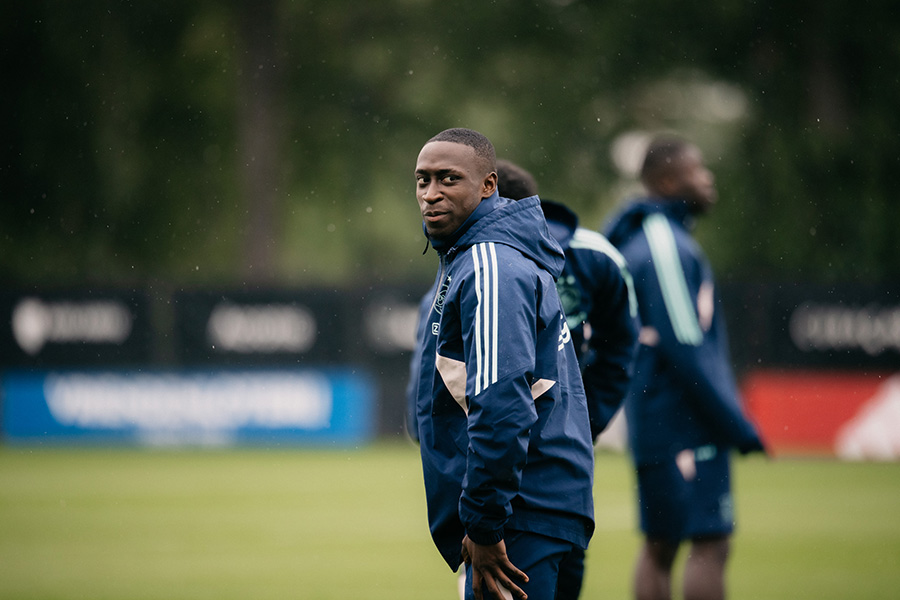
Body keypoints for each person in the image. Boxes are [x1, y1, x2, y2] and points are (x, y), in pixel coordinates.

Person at [411, 128, 595, 600]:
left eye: (448, 179)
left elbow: (501, 405)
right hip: (533, 501)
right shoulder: (480, 257)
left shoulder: (490, 265)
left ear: (488, 185)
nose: (431, 194)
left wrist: (486, 522)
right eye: (422, 180)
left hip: (520, 509)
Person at [603, 134, 766, 600]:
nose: (708, 179)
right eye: (699, 170)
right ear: (670, 179)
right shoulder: (662, 243)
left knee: (662, 544)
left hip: (661, 415)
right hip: (682, 421)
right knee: (708, 544)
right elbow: (684, 343)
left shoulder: (648, 237)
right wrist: (735, 422)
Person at [496, 158, 639, 600]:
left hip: (551, 458)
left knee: (556, 570)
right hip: (511, 457)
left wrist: (585, 420)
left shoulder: (595, 257)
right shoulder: (470, 259)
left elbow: (621, 344)